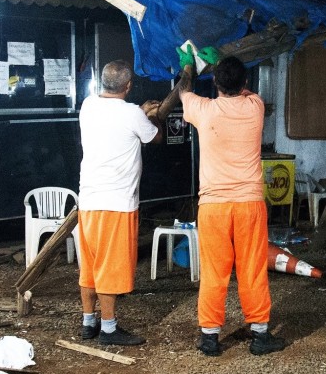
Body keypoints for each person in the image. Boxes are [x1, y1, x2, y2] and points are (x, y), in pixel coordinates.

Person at [177, 50, 286, 357]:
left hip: (213, 206)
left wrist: (189, 66)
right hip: (249, 203)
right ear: (246, 82)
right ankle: (260, 335)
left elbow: (184, 90)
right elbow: (242, 88)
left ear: (214, 82)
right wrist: (222, 66)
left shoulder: (203, 109)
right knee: (252, 269)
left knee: (214, 271)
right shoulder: (255, 106)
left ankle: (210, 337)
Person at [77, 60, 162, 346]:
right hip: (117, 203)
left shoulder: (88, 106)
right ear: (128, 86)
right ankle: (109, 329)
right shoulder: (131, 114)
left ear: (102, 82)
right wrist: (152, 116)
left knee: (89, 266)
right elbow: (155, 137)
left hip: (88, 200)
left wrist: (138, 112)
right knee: (110, 267)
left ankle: (89, 321)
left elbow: (115, 118)